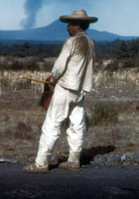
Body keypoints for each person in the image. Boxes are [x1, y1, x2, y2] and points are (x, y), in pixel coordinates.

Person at [23, 9, 98, 173]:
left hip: (65, 88)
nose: (68, 27)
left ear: (77, 25)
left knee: (51, 125)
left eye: (70, 24)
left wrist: (52, 80)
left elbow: (59, 66)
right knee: (77, 126)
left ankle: (41, 164)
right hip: (80, 90)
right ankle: (73, 161)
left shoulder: (72, 42)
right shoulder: (90, 43)